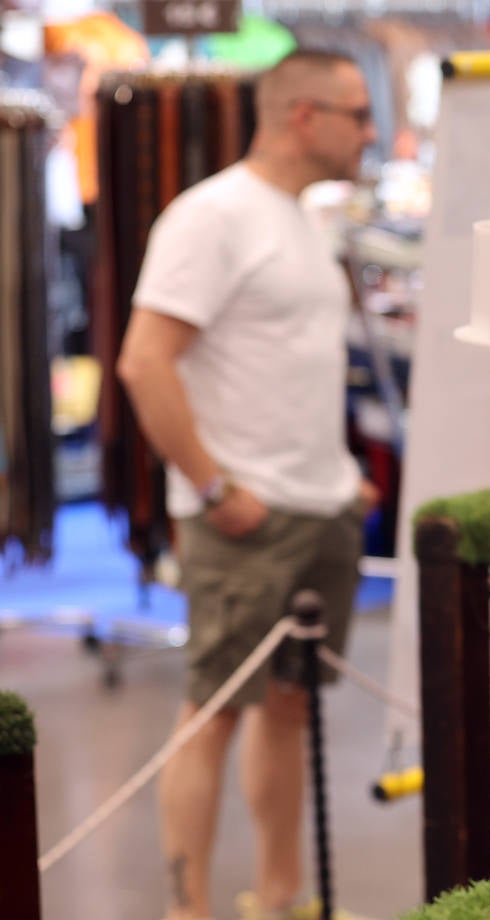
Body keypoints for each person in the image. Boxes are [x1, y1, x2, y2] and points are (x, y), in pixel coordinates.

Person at [116, 49, 379, 920]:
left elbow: (286, 367)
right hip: (245, 521)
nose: (369, 132)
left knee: (290, 708)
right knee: (215, 710)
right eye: (357, 114)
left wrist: (340, 477)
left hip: (317, 507)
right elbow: (144, 362)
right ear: (305, 116)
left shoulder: (302, 219)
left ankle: (277, 896)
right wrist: (213, 487)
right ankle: (187, 910)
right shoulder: (212, 216)